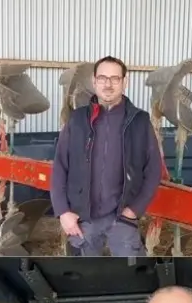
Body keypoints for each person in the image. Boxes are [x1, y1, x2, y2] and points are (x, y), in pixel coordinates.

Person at [50, 55, 163, 256]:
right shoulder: (77, 120)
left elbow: (153, 170)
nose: (108, 84)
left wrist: (134, 210)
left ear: (124, 82)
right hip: (83, 219)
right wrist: (63, 212)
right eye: (102, 78)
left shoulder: (139, 121)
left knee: (132, 273)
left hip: (122, 219)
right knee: (87, 279)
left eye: (115, 79)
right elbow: (60, 166)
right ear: (94, 82)